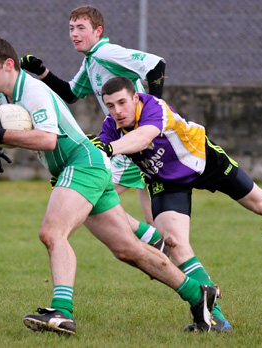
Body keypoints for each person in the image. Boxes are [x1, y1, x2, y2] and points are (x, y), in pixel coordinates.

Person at [0, 37, 221, 335]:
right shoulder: (6, 96)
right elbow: (18, 127)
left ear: (9, 65)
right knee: (128, 250)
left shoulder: (32, 90)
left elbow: (48, 139)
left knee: (52, 233)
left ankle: (62, 312)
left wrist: (4, 136)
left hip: (82, 164)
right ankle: (199, 295)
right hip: (82, 168)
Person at [93, 76, 262, 332]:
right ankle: (215, 319)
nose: (117, 111)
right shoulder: (111, 127)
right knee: (174, 242)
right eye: (110, 105)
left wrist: (109, 148)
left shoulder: (154, 107)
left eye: (122, 102)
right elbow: (100, 162)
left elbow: (142, 138)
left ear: (135, 98)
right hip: (166, 180)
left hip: (205, 161)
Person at [19, 5, 166, 253]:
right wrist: (42, 72)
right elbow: (70, 93)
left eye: (81, 28)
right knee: (157, 228)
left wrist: (152, 116)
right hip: (132, 140)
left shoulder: (106, 53)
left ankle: (164, 256)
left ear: (98, 31)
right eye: (71, 28)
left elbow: (156, 66)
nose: (74, 34)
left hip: (136, 139)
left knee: (87, 191)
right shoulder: (91, 61)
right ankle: (186, 273)